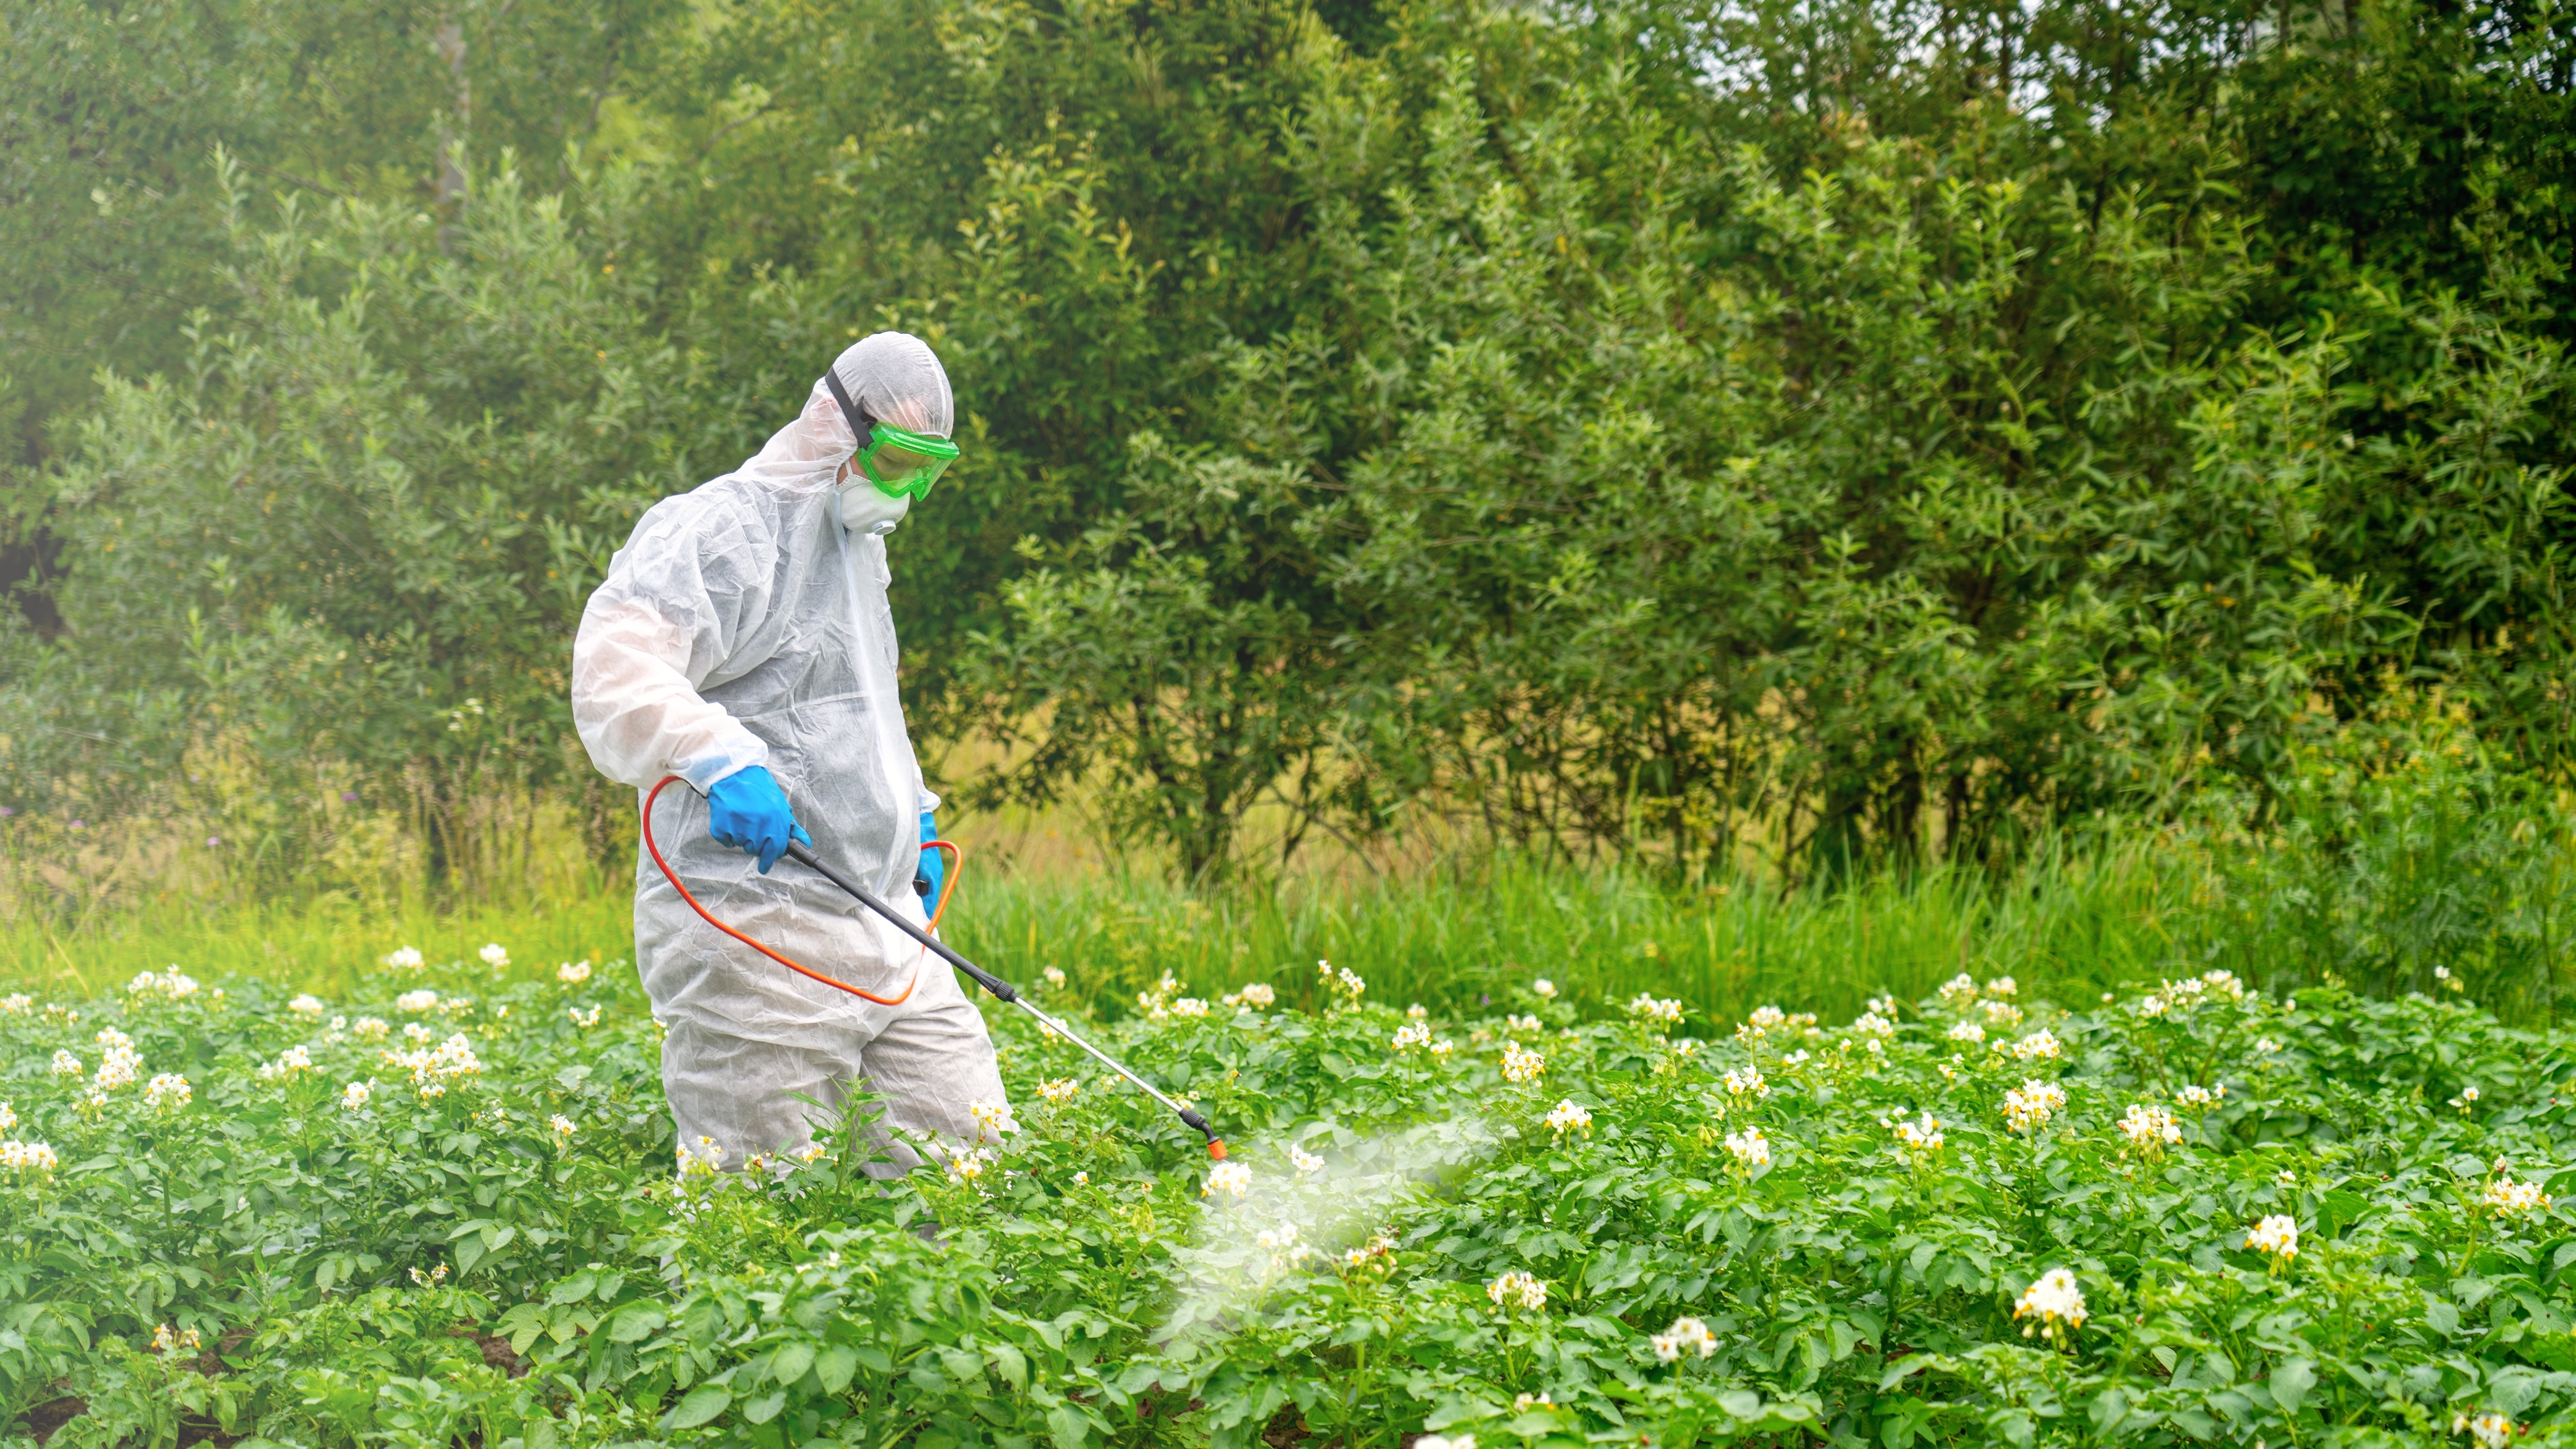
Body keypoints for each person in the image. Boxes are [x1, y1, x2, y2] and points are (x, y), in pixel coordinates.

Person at [570, 332, 1012, 1175]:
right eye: (900, 460)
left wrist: (909, 813)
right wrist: (715, 757)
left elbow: (859, 705)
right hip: (754, 926)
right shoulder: (724, 529)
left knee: (968, 1159)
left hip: (883, 922)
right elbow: (616, 665)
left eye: (932, 468)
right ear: (839, 428)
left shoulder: (855, 549)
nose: (910, 488)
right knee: (757, 1208)